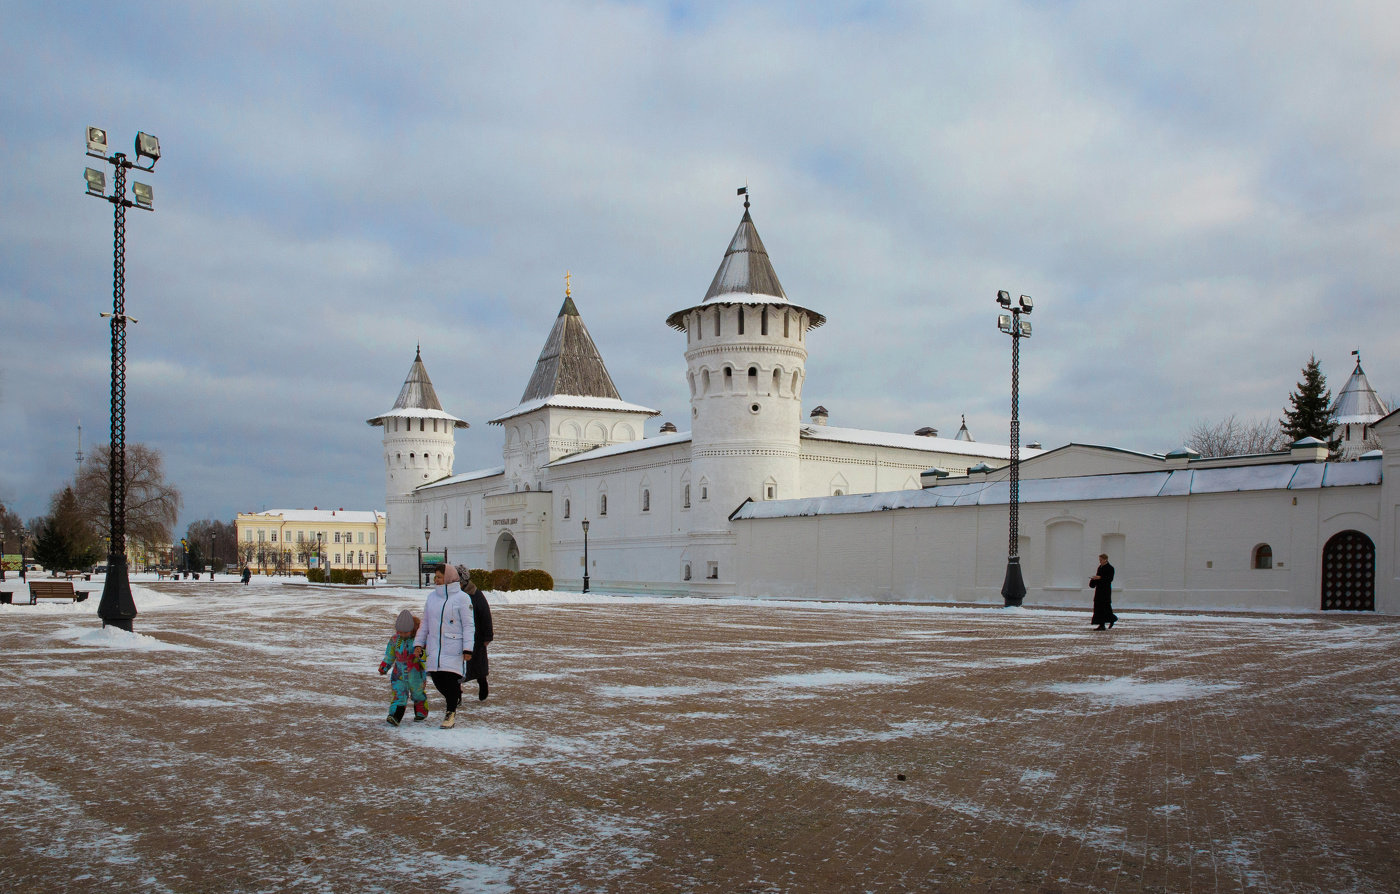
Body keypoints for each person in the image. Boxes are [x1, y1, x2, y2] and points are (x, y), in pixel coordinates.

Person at [414, 564, 474, 729]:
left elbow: (468, 625)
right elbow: (425, 623)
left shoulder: (462, 598)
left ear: (448, 578)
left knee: (450, 679)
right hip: (435, 647)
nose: (436, 580)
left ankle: (450, 712)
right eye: (436, 577)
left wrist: (468, 648)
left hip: (454, 647)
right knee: (437, 679)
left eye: (440, 577)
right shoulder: (432, 597)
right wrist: (418, 643)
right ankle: (453, 698)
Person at [379, 609, 429, 726]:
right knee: (399, 694)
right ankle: (395, 716)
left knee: (417, 693)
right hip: (399, 673)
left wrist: (421, 655)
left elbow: (426, 655)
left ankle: (421, 712)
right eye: (400, 632)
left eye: (405, 633)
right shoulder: (395, 639)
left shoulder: (419, 640)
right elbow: (390, 654)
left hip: (416, 673)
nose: (402, 634)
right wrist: (385, 666)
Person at [456, 564, 494, 702]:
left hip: (475, 637)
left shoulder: (475, 594)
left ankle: (482, 682)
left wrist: (487, 636)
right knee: (456, 667)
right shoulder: (452, 595)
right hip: (456, 636)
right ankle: (456, 694)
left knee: (478, 663)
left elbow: (485, 615)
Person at [1090, 553, 1117, 630]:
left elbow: (1109, 579)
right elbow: (1098, 576)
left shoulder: (1110, 568)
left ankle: (1111, 619)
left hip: (1105, 591)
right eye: (1099, 560)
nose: (1100, 561)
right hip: (1099, 590)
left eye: (1101, 560)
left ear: (1105, 560)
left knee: (1105, 607)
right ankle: (1102, 624)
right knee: (1098, 607)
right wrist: (1094, 579)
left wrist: (1100, 578)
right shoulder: (1100, 567)